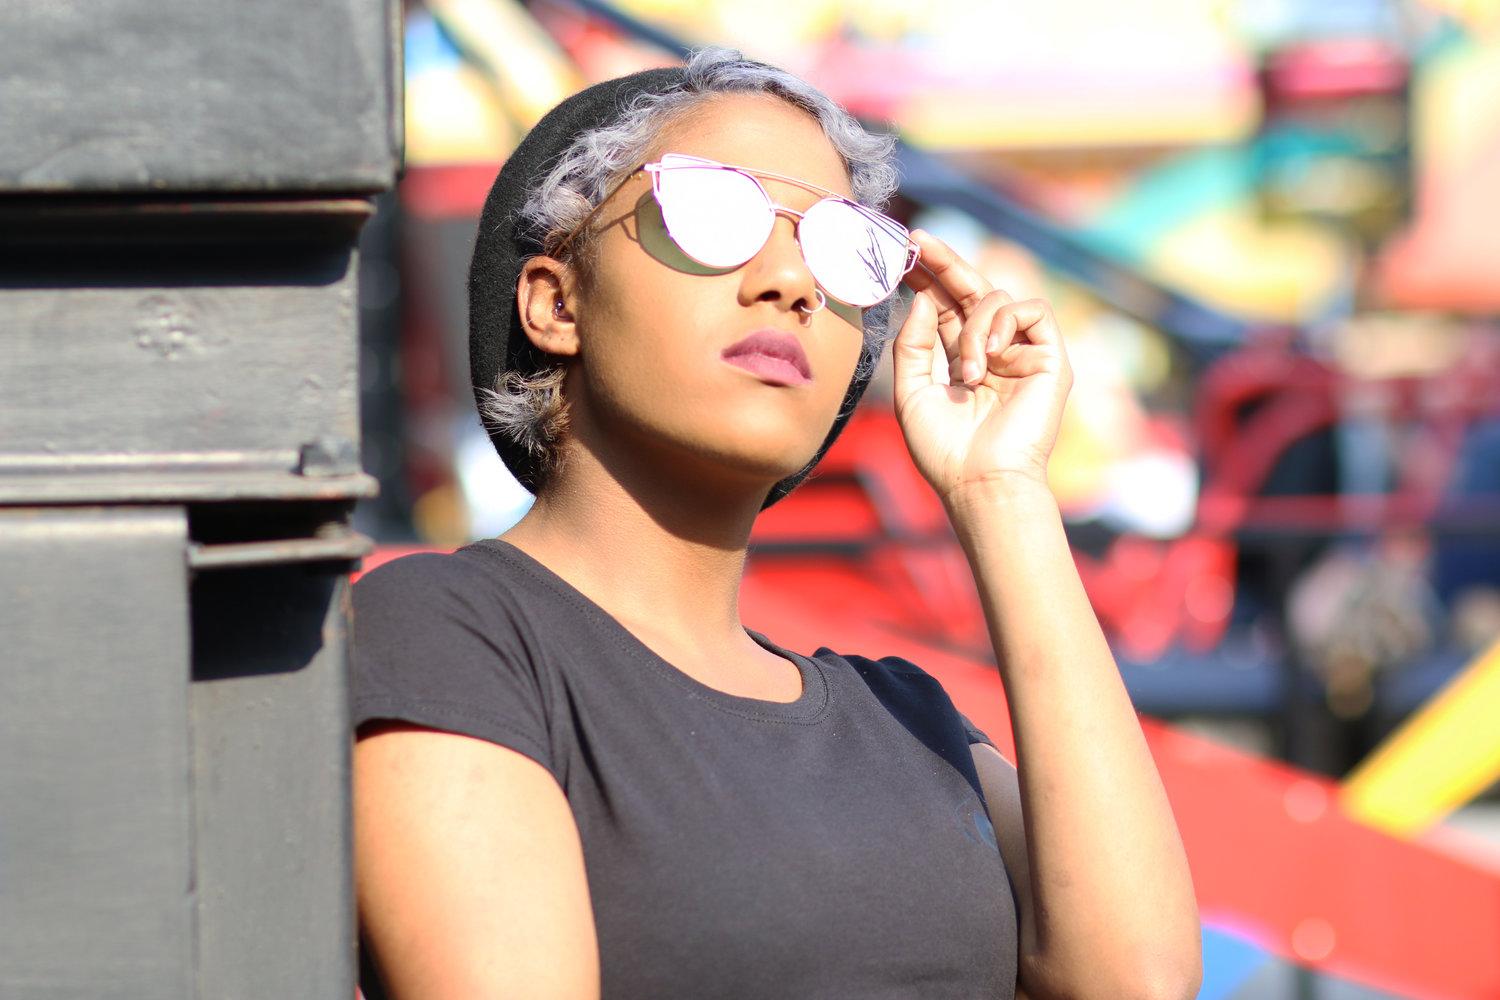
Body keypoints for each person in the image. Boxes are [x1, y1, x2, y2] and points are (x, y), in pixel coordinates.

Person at [351, 47, 1201, 1000]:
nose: (792, 282)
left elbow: (1137, 981)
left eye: (844, 250)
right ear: (557, 302)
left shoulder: (904, 716)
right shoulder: (450, 635)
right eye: (713, 213)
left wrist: (1001, 491)